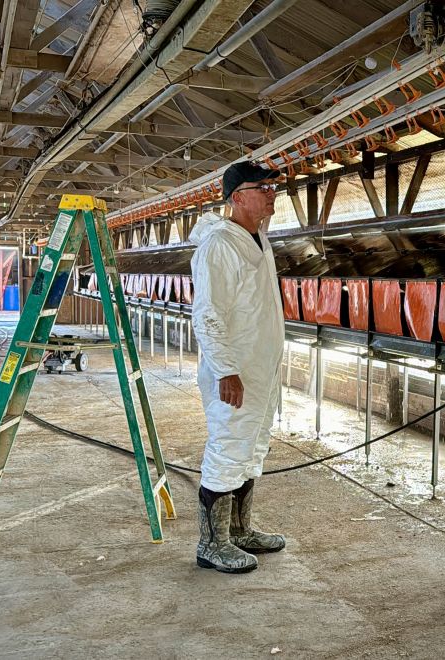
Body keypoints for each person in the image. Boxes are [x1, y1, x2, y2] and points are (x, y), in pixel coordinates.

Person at [190, 161, 286, 573]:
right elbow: (208, 314)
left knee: (250, 450)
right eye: (261, 186)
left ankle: (240, 530)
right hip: (236, 372)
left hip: (260, 369)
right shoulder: (219, 246)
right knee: (228, 448)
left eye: (273, 186)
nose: (271, 192)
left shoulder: (259, 239)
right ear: (236, 197)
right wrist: (226, 369)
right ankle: (211, 544)